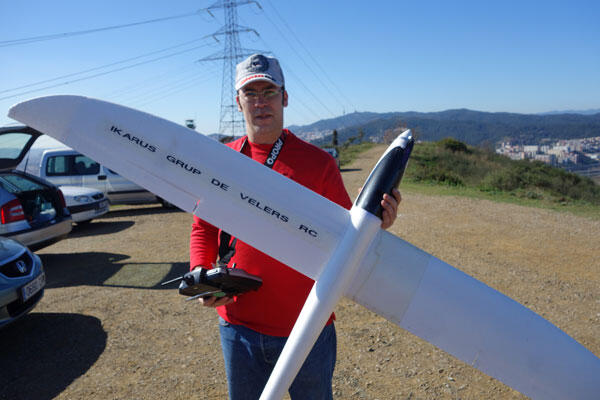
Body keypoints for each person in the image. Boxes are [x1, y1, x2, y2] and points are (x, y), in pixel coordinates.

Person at [190, 54, 402, 400]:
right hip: (237, 327)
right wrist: (201, 275)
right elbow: (203, 227)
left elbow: (347, 236)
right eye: (250, 93)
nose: (260, 102)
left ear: (284, 98)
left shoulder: (319, 163)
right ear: (238, 102)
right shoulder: (221, 160)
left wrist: (378, 223)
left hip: (308, 327)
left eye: (269, 92)